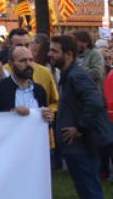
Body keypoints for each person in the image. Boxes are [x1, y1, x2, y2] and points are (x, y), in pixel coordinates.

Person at [49, 34, 110, 199]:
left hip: (82, 146)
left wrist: (80, 128)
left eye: (54, 51)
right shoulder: (68, 75)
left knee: (90, 191)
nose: (50, 54)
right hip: (77, 146)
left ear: (69, 54)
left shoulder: (77, 76)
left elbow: (95, 103)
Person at [0, 46, 52, 124]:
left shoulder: (39, 90)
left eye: (31, 60)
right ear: (11, 64)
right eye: (22, 61)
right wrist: (11, 114)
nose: (28, 64)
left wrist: (48, 118)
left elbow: (45, 122)